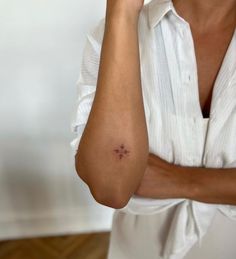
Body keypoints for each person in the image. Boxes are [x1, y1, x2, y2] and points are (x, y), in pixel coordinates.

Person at [70, 0, 236, 258]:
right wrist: (122, 12)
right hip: (140, 247)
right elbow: (111, 186)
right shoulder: (116, 33)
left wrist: (179, 180)